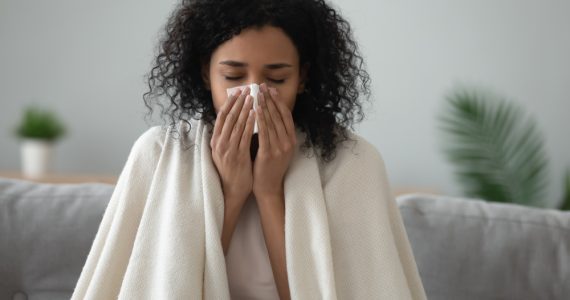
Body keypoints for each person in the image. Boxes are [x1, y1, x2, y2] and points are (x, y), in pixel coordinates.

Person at [71, 0, 427, 299]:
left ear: (302, 78)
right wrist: (231, 192)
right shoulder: (159, 154)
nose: (255, 94)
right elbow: (168, 288)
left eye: (276, 79)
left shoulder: (352, 161)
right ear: (205, 73)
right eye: (233, 77)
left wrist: (269, 192)